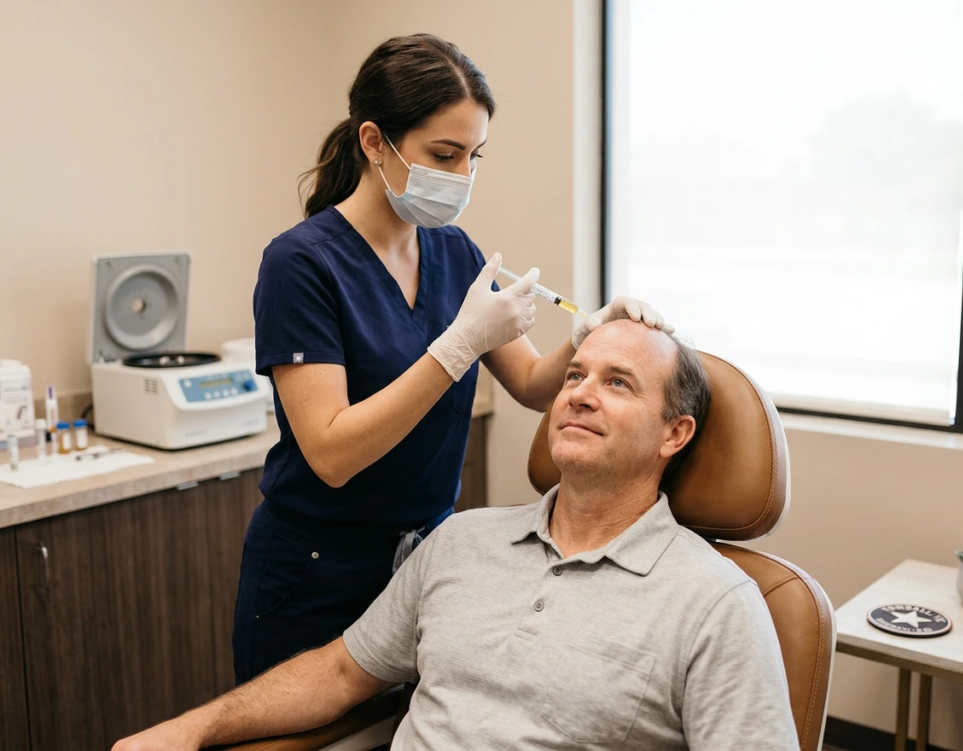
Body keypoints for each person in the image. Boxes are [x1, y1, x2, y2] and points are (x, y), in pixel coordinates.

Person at [114, 317, 799, 751]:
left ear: (675, 433)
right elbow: (339, 671)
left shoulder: (716, 604)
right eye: (574, 375)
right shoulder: (461, 541)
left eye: (618, 382)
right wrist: (190, 728)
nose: (579, 393)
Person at [233, 32, 670, 685]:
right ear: (374, 141)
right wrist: (459, 344)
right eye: (444, 154)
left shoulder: (455, 251)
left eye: (474, 155)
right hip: (317, 569)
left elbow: (527, 382)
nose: (463, 175)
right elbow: (330, 453)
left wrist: (586, 338)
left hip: (425, 562)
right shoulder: (301, 264)